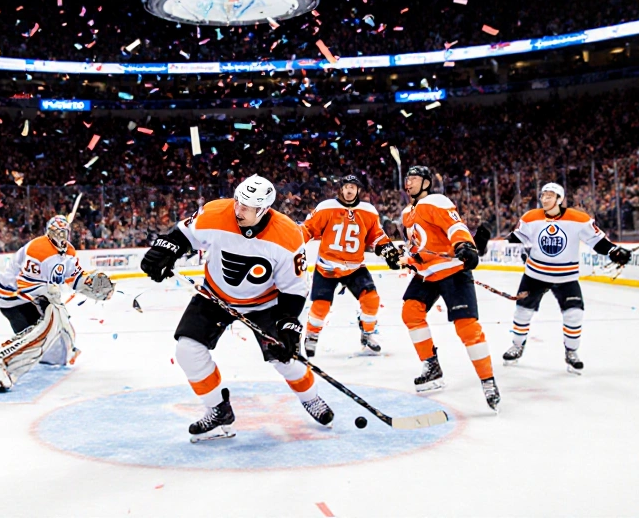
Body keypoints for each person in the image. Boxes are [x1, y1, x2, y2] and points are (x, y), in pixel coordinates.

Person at [140, 174, 332, 442]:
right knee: (187, 350)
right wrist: (164, 251)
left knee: (285, 356)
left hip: (265, 303)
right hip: (215, 294)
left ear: (263, 210)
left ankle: (310, 398)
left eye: (246, 207)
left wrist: (288, 323)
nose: (237, 209)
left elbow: (294, 288)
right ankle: (218, 410)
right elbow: (183, 234)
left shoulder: (288, 236)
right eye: (238, 201)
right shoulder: (217, 211)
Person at [397, 165, 500, 411]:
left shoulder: (435, 201)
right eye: (407, 179)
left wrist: (466, 245)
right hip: (427, 274)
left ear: (425, 183)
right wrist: (407, 259)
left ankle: (487, 381)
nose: (409, 183)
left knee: (467, 328)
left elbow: (455, 226)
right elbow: (418, 247)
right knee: (410, 312)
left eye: (414, 178)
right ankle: (431, 366)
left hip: (452, 270)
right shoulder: (406, 214)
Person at [500, 183, 631, 374]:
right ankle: (517, 346)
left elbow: (597, 241)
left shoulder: (578, 219)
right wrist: (489, 245)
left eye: (550, 195)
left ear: (560, 199)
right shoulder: (530, 217)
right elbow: (516, 239)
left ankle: (572, 352)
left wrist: (613, 250)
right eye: (543, 195)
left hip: (566, 277)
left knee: (574, 314)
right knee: (522, 312)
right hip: (535, 275)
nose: (544, 199)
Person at [0, 215, 115, 392]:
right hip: (12, 297)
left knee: (56, 337)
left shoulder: (69, 253)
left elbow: (75, 278)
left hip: (35, 297)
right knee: (42, 333)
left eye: (64, 232)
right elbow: (23, 285)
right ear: (49, 233)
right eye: (56, 232)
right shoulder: (38, 249)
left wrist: (91, 285)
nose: (60, 235)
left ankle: (1, 359)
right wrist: (46, 293)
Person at [299, 174, 402, 357]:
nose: (349, 190)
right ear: (341, 189)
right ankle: (312, 336)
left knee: (371, 299)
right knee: (320, 306)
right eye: (346, 186)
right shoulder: (326, 207)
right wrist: (292, 245)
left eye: (352, 187)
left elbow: (376, 235)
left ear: (358, 190)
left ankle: (367, 334)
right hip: (327, 267)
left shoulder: (368, 211)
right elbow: (307, 230)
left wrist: (388, 251)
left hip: (355, 267)